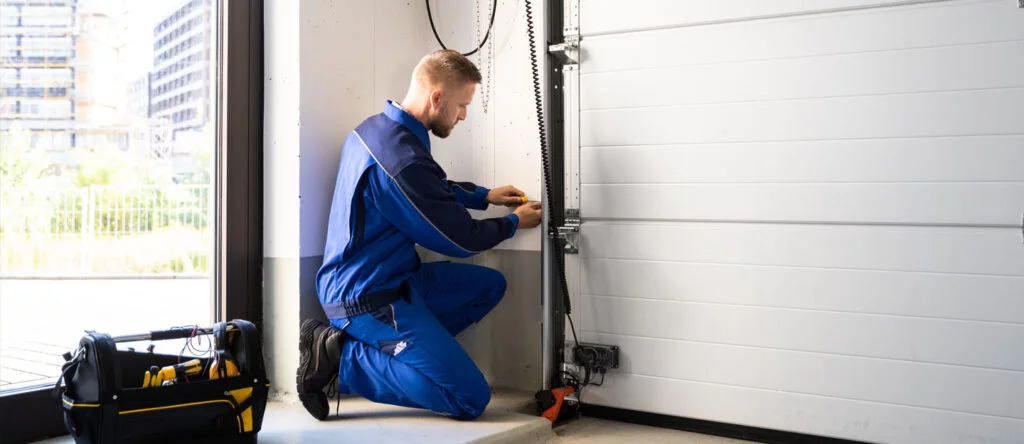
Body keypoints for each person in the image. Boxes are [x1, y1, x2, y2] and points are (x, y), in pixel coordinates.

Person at [296, 49, 544, 421]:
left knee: (488, 286)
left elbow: (429, 187)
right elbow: (461, 240)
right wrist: (512, 223)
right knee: (470, 398)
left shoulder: (377, 130)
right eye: (462, 105)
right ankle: (342, 359)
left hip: (398, 279)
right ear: (437, 98)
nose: (463, 115)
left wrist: (484, 196)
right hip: (366, 299)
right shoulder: (400, 161)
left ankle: (406, 356)